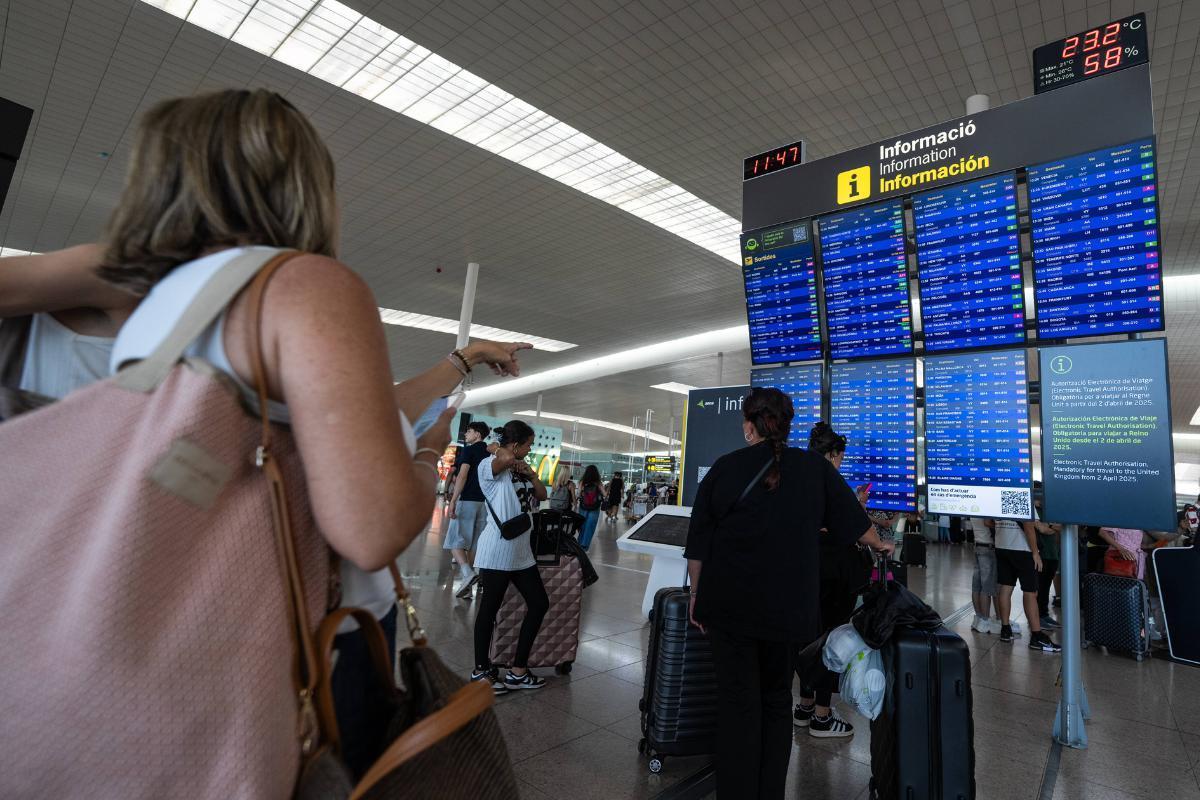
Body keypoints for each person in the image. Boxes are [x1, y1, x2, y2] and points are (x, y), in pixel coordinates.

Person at [0, 90, 533, 790]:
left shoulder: (144, 310)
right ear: (304, 186)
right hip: (293, 653)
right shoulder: (303, 284)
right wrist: (426, 456)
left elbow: (330, 416)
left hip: (113, 653)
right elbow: (371, 532)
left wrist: (457, 364)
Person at [684, 390, 891, 799]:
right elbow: (855, 523)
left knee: (737, 703)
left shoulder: (726, 469)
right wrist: (881, 545)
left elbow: (699, 547)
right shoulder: (813, 468)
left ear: (749, 426)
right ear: (788, 425)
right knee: (777, 700)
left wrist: (696, 596)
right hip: (787, 612)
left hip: (729, 609)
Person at [794, 422, 893, 739]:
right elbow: (860, 529)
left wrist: (856, 506)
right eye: (840, 457)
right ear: (833, 453)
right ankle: (822, 717)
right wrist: (880, 544)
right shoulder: (829, 477)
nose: (840, 463)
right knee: (830, 640)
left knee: (807, 637)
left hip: (805, 567)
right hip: (834, 571)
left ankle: (804, 706)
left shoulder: (797, 477)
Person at [471, 420, 550, 695]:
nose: (531, 449)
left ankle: (518, 671)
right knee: (489, 610)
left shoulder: (518, 470)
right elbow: (503, 455)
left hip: (521, 553)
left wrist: (530, 474)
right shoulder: (488, 466)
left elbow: (542, 494)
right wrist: (495, 446)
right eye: (528, 444)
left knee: (539, 604)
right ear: (515, 445)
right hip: (497, 551)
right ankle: (481, 671)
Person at [994, 514, 1060, 652]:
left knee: (1006, 588)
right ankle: (1036, 636)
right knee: (1030, 592)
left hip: (1001, 546)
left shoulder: (999, 495)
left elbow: (988, 521)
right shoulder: (1024, 494)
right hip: (1023, 549)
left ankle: (1005, 629)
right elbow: (1029, 525)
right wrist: (1035, 552)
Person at [445, 421, 491, 599]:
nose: (466, 434)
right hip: (484, 503)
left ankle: (467, 573)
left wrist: (453, 499)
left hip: (468, 500)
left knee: (454, 541)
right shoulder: (489, 452)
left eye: (469, 431)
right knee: (473, 544)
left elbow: (462, 475)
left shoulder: (469, 450)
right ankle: (467, 588)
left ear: (478, 434)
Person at [968, 517, 1000, 634]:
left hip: (978, 544)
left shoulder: (974, 508)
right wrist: (999, 525)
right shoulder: (985, 506)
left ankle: (979, 618)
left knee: (976, 586)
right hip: (988, 547)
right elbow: (987, 522)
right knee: (986, 586)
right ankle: (985, 621)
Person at [576, 464, 605, 549]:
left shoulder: (582, 482)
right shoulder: (598, 483)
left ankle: (579, 543)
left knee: (582, 525)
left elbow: (578, 494)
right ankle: (584, 545)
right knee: (590, 526)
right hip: (595, 507)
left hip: (583, 506)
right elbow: (605, 494)